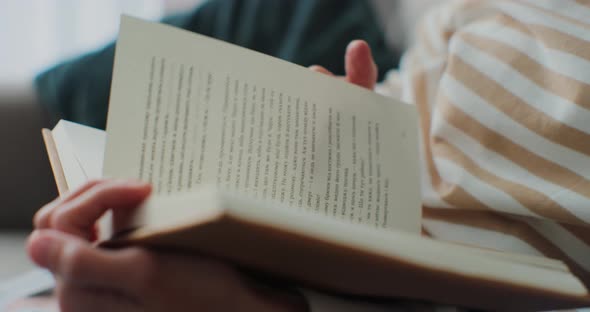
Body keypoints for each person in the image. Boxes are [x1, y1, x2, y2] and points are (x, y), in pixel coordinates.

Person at [27, 0, 590, 311]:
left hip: (362, 270)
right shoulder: (479, 16)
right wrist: (357, 117)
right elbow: (400, 100)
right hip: (325, 208)